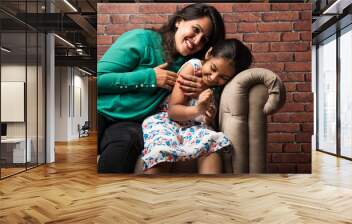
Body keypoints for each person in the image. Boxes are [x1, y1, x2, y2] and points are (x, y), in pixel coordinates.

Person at [97, 3, 225, 173]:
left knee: (124, 144)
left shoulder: (193, 66)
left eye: (204, 39)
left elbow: (218, 76)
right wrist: (150, 78)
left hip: (130, 123)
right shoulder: (141, 39)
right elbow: (98, 80)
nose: (196, 41)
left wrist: (203, 89)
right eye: (195, 29)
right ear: (179, 22)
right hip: (100, 112)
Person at [141, 39, 253, 174]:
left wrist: (208, 117)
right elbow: (173, 111)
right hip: (168, 122)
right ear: (208, 54)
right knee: (162, 150)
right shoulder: (193, 68)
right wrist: (198, 109)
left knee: (211, 145)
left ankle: (209, 192)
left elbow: (206, 119)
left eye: (223, 77)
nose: (213, 78)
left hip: (195, 126)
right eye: (213, 68)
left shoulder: (220, 88)